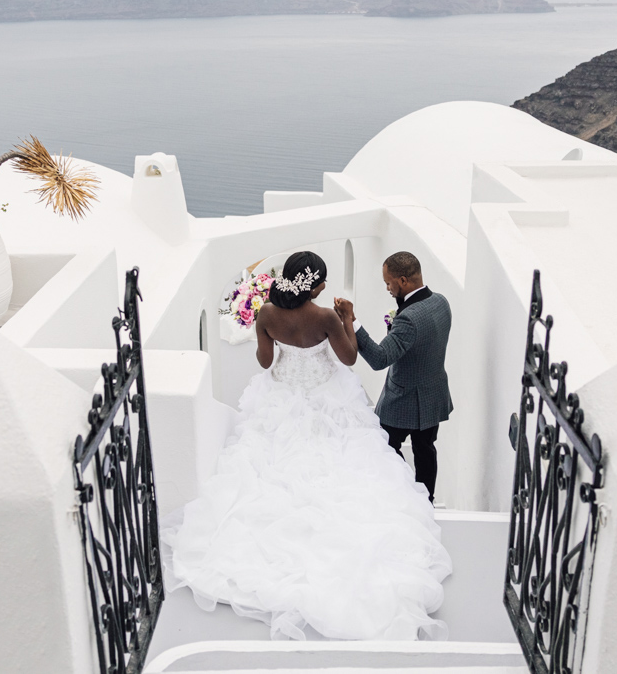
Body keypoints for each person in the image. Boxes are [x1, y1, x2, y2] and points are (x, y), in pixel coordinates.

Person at [162, 251, 452, 641]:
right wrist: (348, 320)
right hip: (328, 400)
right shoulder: (326, 318)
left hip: (280, 400)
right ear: (314, 285)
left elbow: (266, 363)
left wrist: (268, 337)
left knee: (269, 465)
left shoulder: (267, 314)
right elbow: (348, 359)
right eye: (322, 283)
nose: (325, 289)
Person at [334, 252, 452, 502]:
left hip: (404, 400)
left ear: (403, 281)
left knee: (381, 445)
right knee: (426, 450)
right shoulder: (441, 302)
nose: (387, 288)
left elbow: (379, 359)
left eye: (388, 282)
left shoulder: (408, 318)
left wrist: (352, 321)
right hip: (434, 395)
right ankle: (426, 500)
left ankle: (406, 494)